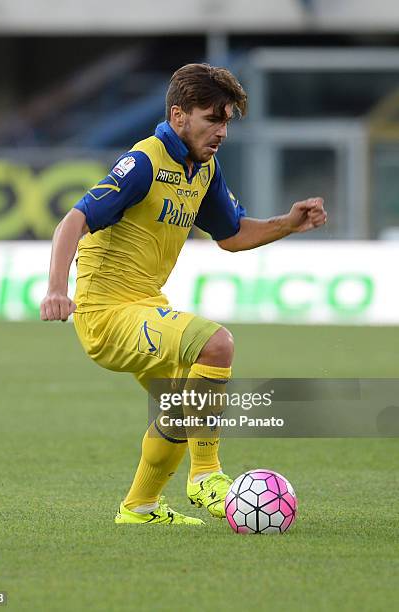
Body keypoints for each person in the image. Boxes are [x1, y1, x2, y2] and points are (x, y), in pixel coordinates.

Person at [40, 63, 327, 525]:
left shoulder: (203, 168)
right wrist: (56, 289)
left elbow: (230, 234)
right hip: (106, 313)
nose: (222, 131)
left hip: (146, 306)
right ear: (179, 116)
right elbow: (72, 221)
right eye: (213, 118)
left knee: (181, 405)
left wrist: (288, 223)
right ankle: (206, 476)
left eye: (227, 120)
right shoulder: (144, 162)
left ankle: (139, 507)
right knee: (216, 343)